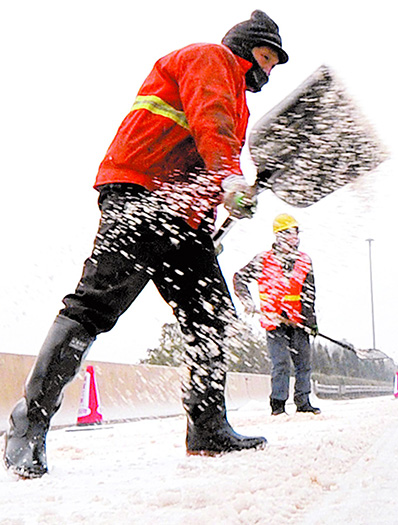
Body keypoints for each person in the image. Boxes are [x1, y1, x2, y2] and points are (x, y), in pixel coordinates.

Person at [3, 10, 289, 479]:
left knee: (211, 313)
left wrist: (207, 222)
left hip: (180, 215)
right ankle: (29, 422)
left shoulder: (240, 100)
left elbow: (201, 163)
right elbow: (209, 121)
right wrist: (232, 177)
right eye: (265, 57)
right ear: (245, 47)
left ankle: (207, 427)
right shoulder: (213, 59)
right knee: (95, 306)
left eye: (274, 65)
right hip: (140, 193)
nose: (268, 71)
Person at [233, 214, 321, 416]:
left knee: (303, 364)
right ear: (281, 236)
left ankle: (303, 401)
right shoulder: (263, 260)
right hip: (274, 321)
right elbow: (240, 278)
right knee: (280, 363)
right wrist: (247, 301)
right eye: (292, 233)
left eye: (297, 233)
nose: (296, 238)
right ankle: (278, 405)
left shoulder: (304, 261)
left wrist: (311, 322)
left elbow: (309, 294)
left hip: (298, 321)